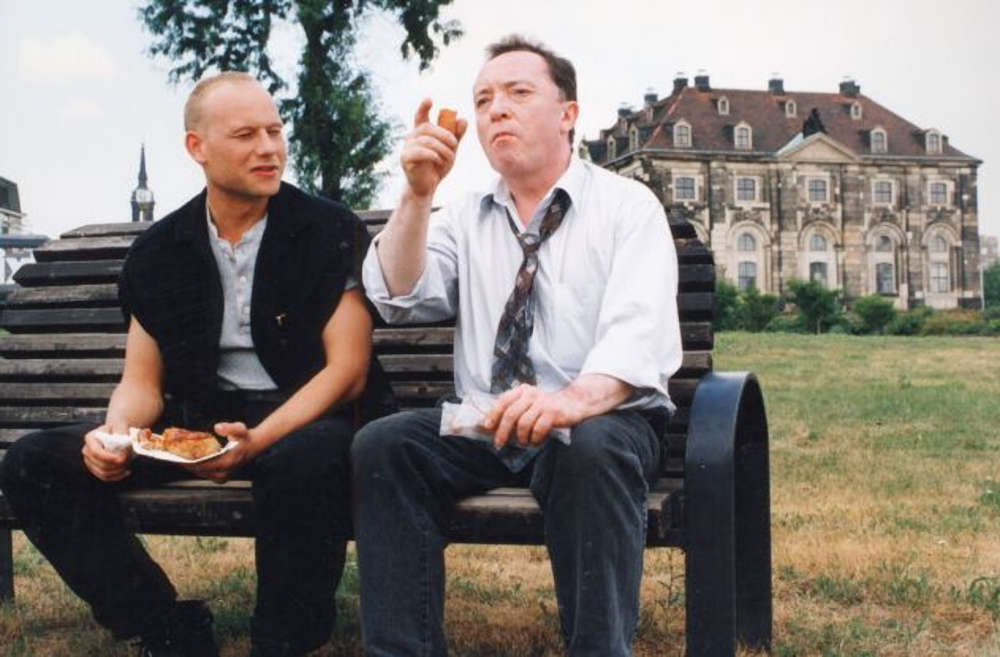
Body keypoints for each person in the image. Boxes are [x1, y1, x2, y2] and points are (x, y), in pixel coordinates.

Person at [0, 72, 392, 657]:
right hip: (200, 423)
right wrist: (115, 436)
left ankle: (282, 641)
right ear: (197, 147)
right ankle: (163, 626)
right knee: (35, 461)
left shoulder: (326, 228)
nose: (269, 148)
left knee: (304, 463)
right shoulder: (160, 250)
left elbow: (349, 372)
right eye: (245, 135)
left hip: (308, 418)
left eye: (274, 131)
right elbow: (141, 382)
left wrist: (257, 441)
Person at [352, 35, 683, 656]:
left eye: (518, 93)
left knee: (590, 450)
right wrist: (418, 195)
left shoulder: (626, 208)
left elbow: (637, 332)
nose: (496, 108)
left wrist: (566, 404)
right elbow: (398, 295)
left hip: (599, 421)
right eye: (482, 100)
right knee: (385, 446)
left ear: (568, 114)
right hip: (489, 423)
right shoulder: (462, 215)